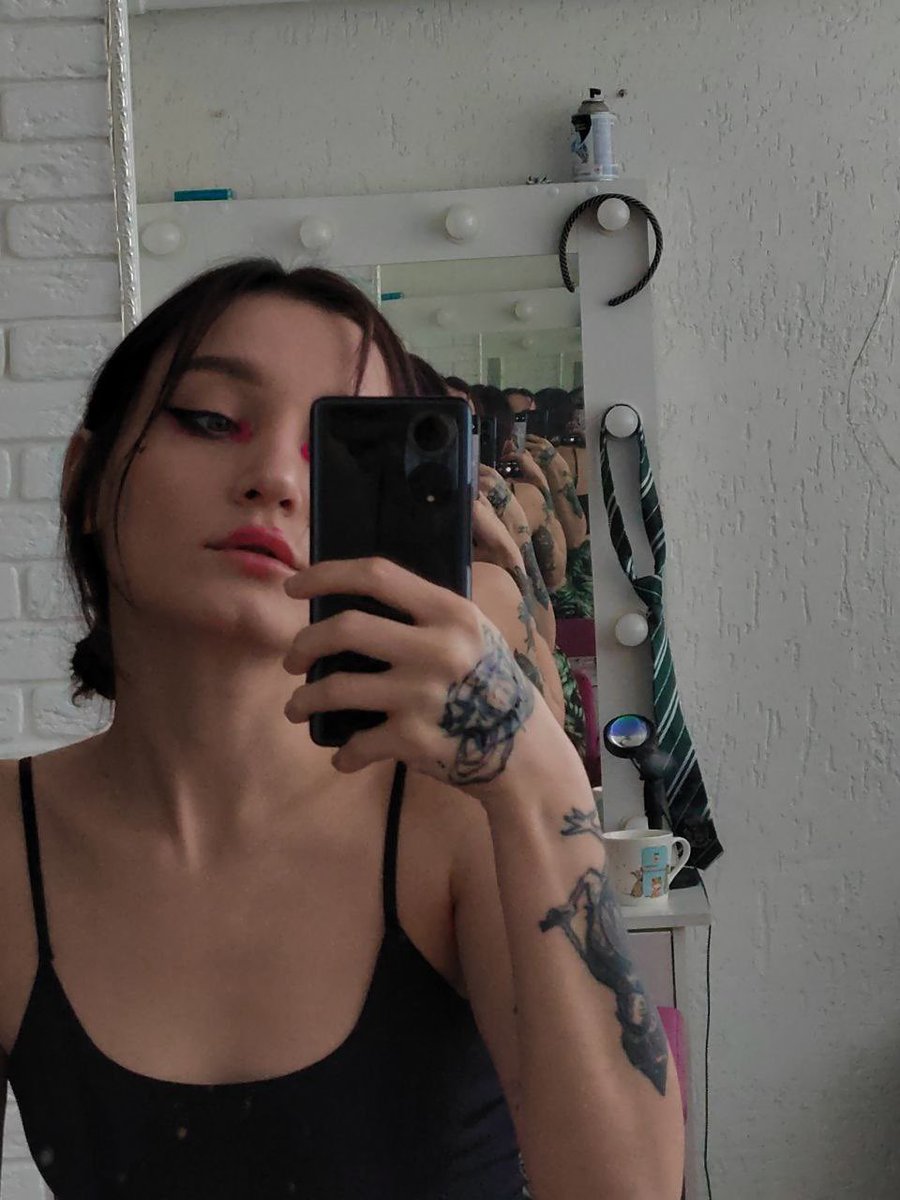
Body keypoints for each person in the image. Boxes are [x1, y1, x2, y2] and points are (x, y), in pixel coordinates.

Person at [0, 260, 684, 1200]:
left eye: (338, 446)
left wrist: (539, 782)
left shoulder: (460, 821)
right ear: (86, 478)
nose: (276, 477)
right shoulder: (9, 843)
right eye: (210, 419)